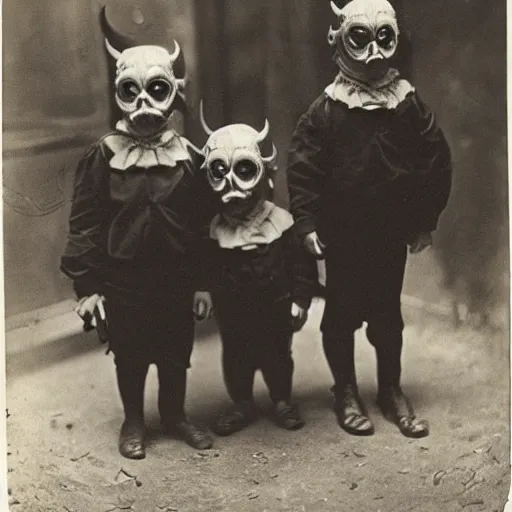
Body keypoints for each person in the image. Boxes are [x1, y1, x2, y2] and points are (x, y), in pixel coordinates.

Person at [286, 0, 452, 438]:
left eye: (385, 39)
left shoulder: (406, 102)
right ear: (339, 40)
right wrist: (306, 223)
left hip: (389, 235)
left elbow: (435, 159)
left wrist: (423, 219)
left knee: (386, 316)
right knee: (340, 315)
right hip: (343, 236)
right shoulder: (326, 109)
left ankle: (390, 389)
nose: (374, 53)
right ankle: (344, 391)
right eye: (361, 39)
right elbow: (302, 168)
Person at [60, 9, 214, 459]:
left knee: (173, 352)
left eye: (158, 90)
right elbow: (85, 222)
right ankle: (133, 420)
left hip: (176, 274)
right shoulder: (104, 156)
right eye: (133, 91)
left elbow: (201, 222)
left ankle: (174, 414)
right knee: (130, 355)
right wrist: (86, 287)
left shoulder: (186, 156)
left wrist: (202, 281)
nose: (146, 104)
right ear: (120, 95)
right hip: (123, 278)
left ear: (174, 95)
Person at [199, 104, 318, 436]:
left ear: (264, 174)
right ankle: (242, 403)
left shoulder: (280, 222)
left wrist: (301, 300)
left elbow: (301, 266)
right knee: (236, 356)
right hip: (232, 309)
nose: (232, 185)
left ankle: (281, 400)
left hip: (275, 305)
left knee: (278, 355)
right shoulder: (214, 229)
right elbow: (207, 266)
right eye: (220, 172)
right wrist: (205, 291)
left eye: (244, 170)